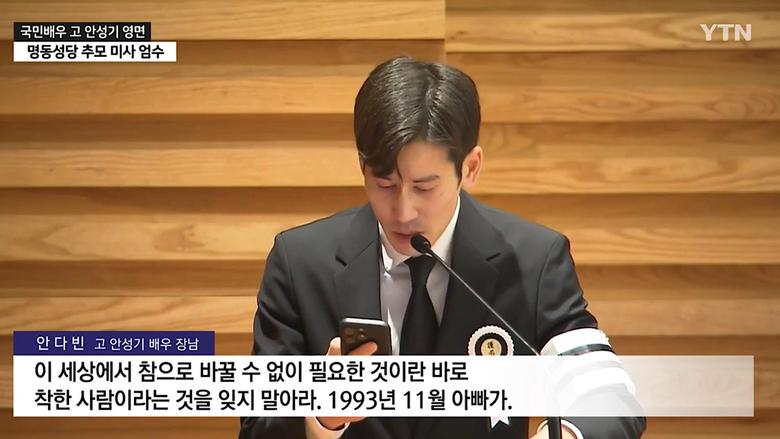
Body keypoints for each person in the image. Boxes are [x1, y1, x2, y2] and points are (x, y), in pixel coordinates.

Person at [239, 57, 646, 439]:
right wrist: (322, 415)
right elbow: (259, 426)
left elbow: (607, 395)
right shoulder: (300, 262)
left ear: (470, 168)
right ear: (362, 166)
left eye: (424, 187)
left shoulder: (533, 260)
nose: (403, 211)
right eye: (384, 184)